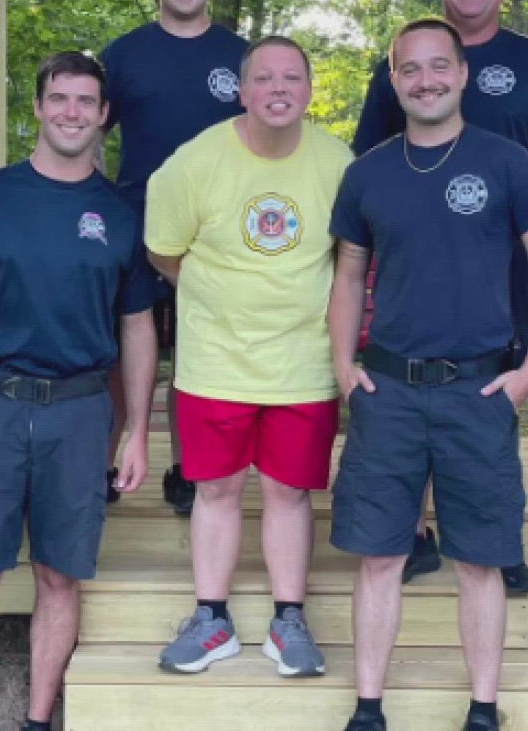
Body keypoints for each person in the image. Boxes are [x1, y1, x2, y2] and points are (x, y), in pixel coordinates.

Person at [326, 20, 528, 731]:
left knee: (479, 559)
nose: (426, 79)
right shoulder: (367, 172)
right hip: (389, 391)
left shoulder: (506, 164)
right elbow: (348, 272)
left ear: (463, 75)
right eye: (411, 69)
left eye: (440, 66)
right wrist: (344, 364)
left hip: (479, 389)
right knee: (379, 556)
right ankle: (369, 707)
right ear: (394, 79)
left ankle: (484, 708)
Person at [349, 0, 528, 595]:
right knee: (412, 386)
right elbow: (367, 167)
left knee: (495, 388)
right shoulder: (398, 67)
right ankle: (411, 530)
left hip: (508, 266)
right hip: (422, 267)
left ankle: (491, 535)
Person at [0, 52, 160, 731]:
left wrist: (138, 428)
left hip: (82, 412)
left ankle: (36, 718)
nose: (71, 112)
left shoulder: (119, 212)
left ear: (104, 116)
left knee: (60, 576)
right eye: (59, 98)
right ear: (38, 106)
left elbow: (138, 325)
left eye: (86, 101)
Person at [144, 36, 352, 678]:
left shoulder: (338, 162)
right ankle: (212, 620)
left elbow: (352, 257)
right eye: (265, 78)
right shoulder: (192, 163)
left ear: (310, 90)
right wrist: (218, 298)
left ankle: (289, 621)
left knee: (291, 493)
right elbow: (163, 253)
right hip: (217, 361)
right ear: (243, 90)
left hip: (303, 363)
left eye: (292, 77)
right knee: (218, 488)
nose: (279, 89)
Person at [101, 0, 250, 515]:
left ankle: (188, 470)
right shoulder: (124, 54)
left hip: (213, 233)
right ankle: (106, 463)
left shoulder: (238, 56)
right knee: (118, 349)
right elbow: (89, 132)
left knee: (197, 353)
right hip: (135, 223)